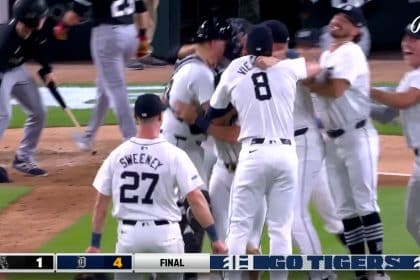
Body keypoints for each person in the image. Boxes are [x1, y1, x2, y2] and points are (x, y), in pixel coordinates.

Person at [208, 24, 320, 280]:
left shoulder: (234, 69)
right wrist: (281, 60)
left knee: (238, 226)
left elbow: (213, 112)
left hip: (253, 154)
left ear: (246, 47)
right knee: (280, 228)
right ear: (272, 47)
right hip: (286, 154)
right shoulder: (288, 67)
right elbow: (318, 67)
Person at [87, 94, 227, 280]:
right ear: (161, 117)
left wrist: (95, 244)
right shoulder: (174, 154)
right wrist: (215, 239)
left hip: (129, 239)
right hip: (166, 237)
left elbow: (101, 205)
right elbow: (196, 199)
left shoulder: (117, 155)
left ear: (136, 118)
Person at [303, 5, 389, 280]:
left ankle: (377, 270)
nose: (338, 20)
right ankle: (361, 270)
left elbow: (336, 89)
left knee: (365, 204)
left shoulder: (351, 53)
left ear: (357, 31)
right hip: (333, 141)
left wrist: (306, 82)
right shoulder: (329, 54)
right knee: (346, 209)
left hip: (357, 136)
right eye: (337, 16)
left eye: (347, 20)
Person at [54, 0, 147, 151]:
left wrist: (62, 26)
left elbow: (75, 13)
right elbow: (142, 11)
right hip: (131, 34)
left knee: (116, 88)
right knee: (104, 87)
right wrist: (143, 37)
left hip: (108, 36)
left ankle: (131, 138)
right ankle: (88, 137)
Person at [370, 23, 420, 246]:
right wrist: (355, 103)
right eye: (405, 38)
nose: (406, 44)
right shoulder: (410, 77)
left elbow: (404, 100)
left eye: (414, 39)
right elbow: (386, 115)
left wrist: (365, 90)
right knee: (413, 223)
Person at [0, 0, 54, 177]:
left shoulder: (34, 32)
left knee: (39, 112)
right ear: (29, 18)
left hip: (16, 69)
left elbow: (38, 50)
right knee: (3, 114)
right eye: (40, 16)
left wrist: (47, 70)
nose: (43, 19)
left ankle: (23, 158)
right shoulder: (5, 40)